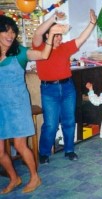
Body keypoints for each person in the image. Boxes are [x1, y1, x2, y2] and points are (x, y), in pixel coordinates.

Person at [0, 15, 65, 194]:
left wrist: (51, 35)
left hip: (17, 105)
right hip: (0, 107)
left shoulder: (19, 52)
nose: (10, 35)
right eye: (6, 31)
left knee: (20, 145)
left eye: (13, 31)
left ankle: (34, 177)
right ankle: (14, 178)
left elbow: (44, 55)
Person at [32, 9, 97, 164]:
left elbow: (81, 39)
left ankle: (69, 150)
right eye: (56, 34)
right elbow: (37, 33)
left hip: (68, 87)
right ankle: (44, 152)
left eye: (60, 35)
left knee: (69, 120)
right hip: (49, 90)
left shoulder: (65, 48)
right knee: (51, 124)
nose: (59, 38)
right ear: (48, 35)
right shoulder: (39, 47)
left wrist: (92, 23)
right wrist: (53, 18)